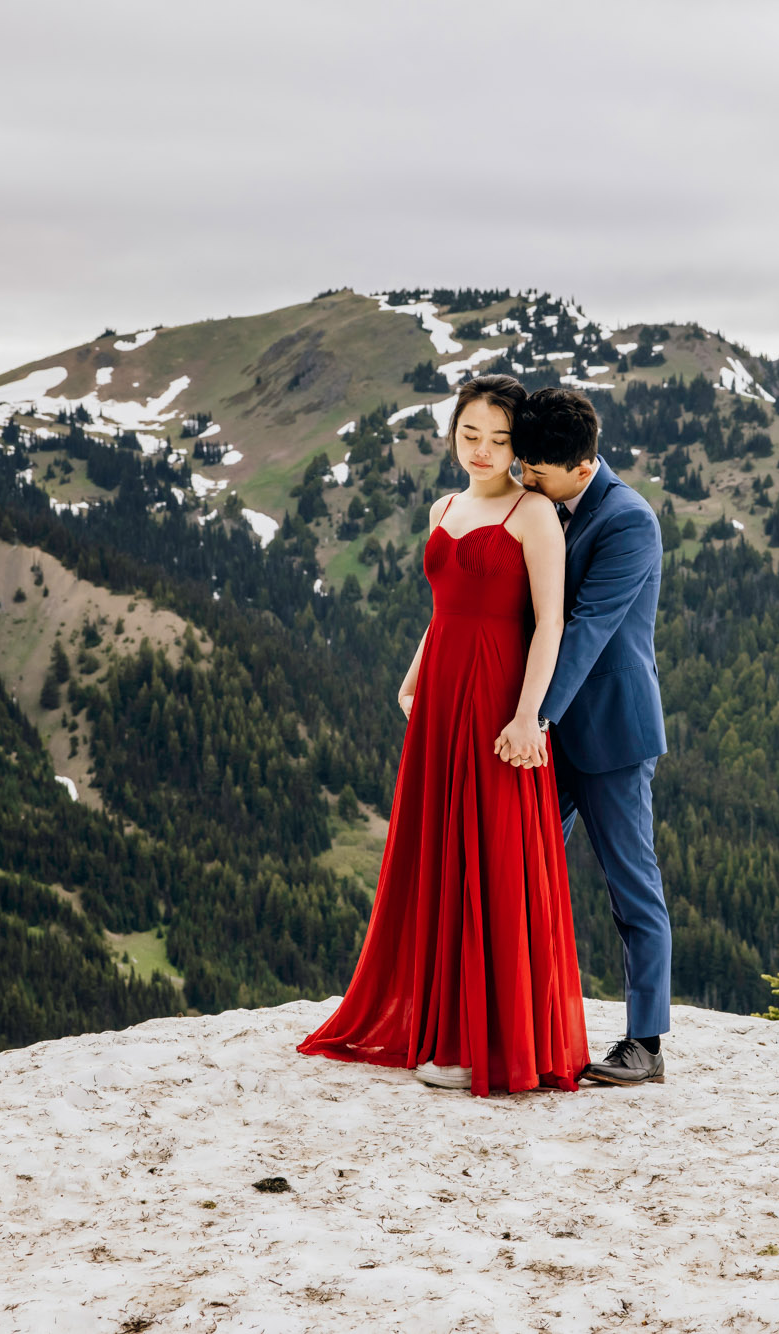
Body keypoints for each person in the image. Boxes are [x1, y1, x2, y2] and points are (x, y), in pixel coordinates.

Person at [297, 374, 589, 1097]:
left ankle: (481, 1043)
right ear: (452, 432)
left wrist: (529, 716)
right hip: (442, 697)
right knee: (442, 853)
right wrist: (412, 674)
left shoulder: (535, 514)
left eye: (499, 439)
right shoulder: (444, 506)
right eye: (470, 435)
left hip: (498, 698)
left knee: (490, 856)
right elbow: (445, 607)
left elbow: (549, 622)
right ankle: (440, 1022)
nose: (484, 450)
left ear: (517, 444)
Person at [510, 387, 671, 1087]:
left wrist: (532, 717)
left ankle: (647, 1044)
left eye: (536, 473)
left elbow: (587, 627)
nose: (524, 482)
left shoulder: (629, 521)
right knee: (520, 870)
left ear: (581, 468)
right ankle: (522, 1020)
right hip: (546, 727)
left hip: (608, 730)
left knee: (631, 887)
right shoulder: (540, 501)